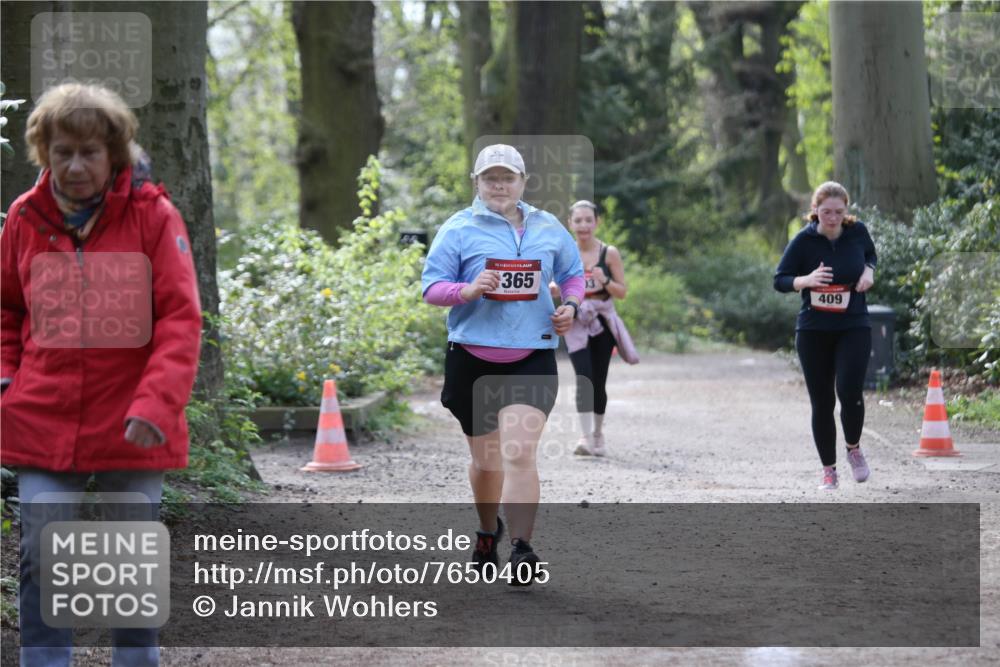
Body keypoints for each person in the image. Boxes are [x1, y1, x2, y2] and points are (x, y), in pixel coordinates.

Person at [1, 83, 202, 665]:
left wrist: (155, 405)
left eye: (89, 151)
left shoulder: (154, 216)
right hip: (42, 413)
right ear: (44, 152)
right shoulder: (24, 216)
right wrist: (6, 380)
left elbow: (180, 320)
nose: (75, 165)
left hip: (132, 420)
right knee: (42, 548)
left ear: (114, 152)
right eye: (62, 151)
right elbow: (7, 311)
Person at [421, 144, 584, 584]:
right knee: (488, 462)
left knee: (519, 452)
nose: (499, 185)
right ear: (477, 182)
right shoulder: (458, 229)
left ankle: (523, 548)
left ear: (523, 182)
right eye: (490, 178)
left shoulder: (548, 227)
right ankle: (487, 530)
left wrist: (570, 304)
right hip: (472, 358)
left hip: (531, 354)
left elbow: (573, 274)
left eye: (507, 177)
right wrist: (467, 291)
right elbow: (432, 287)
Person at [774, 181, 876, 490]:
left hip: (853, 325)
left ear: (846, 211)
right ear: (815, 211)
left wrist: (868, 272)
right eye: (825, 212)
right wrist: (806, 280)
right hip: (814, 330)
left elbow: (870, 256)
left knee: (850, 392)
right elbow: (780, 280)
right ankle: (828, 470)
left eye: (838, 212)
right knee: (822, 401)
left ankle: (853, 448)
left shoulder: (857, 232)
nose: (831, 218)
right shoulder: (803, 241)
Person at [559, 200, 638, 457]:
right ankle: (584, 436)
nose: (583, 225)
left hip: (602, 322)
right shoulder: (565, 251)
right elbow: (555, 285)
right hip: (576, 322)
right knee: (583, 379)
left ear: (597, 223)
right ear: (570, 223)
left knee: (598, 380)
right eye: (578, 220)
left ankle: (598, 434)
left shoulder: (609, 253)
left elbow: (622, 292)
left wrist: (605, 281)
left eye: (588, 220)